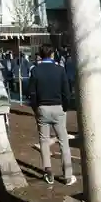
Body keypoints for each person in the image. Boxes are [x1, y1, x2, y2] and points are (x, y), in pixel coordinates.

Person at [28, 44, 76, 186]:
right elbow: (66, 92)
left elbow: (32, 93)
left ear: (40, 55)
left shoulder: (35, 71)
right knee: (63, 141)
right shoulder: (60, 70)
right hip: (58, 108)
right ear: (53, 54)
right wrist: (65, 107)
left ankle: (48, 172)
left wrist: (36, 108)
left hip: (42, 108)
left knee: (44, 140)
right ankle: (67, 175)